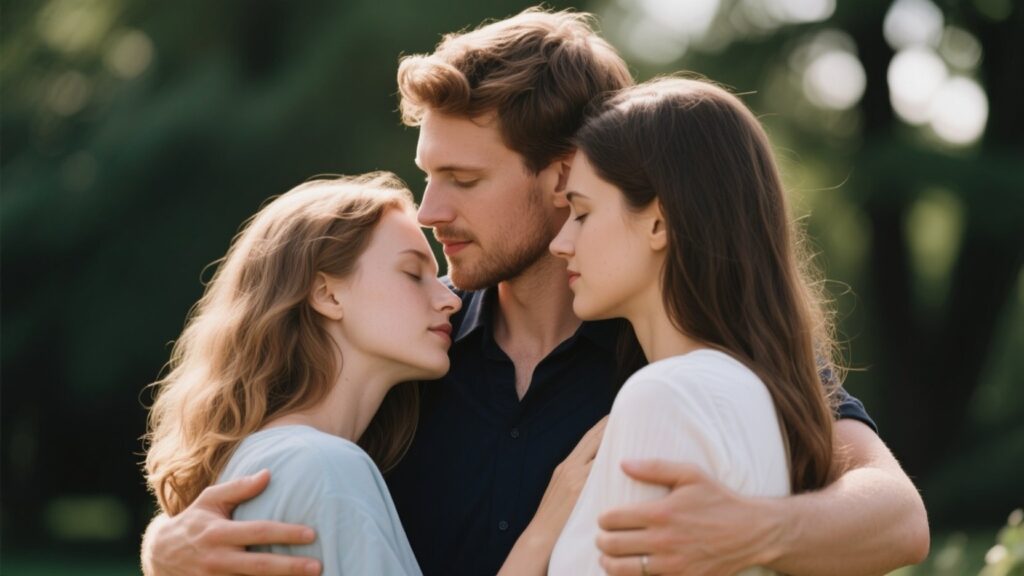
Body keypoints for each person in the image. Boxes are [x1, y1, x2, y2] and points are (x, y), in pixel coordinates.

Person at [141, 8, 929, 576]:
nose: (430, 212)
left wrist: (753, 533)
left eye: (464, 179)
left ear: (563, 179)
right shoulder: (413, 347)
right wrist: (164, 548)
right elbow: (279, 478)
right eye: (427, 175)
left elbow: (897, 517)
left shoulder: (688, 354)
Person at [547, 76, 847, 575]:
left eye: (581, 212)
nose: (560, 242)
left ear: (659, 223)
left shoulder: (666, 395)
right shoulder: (752, 390)